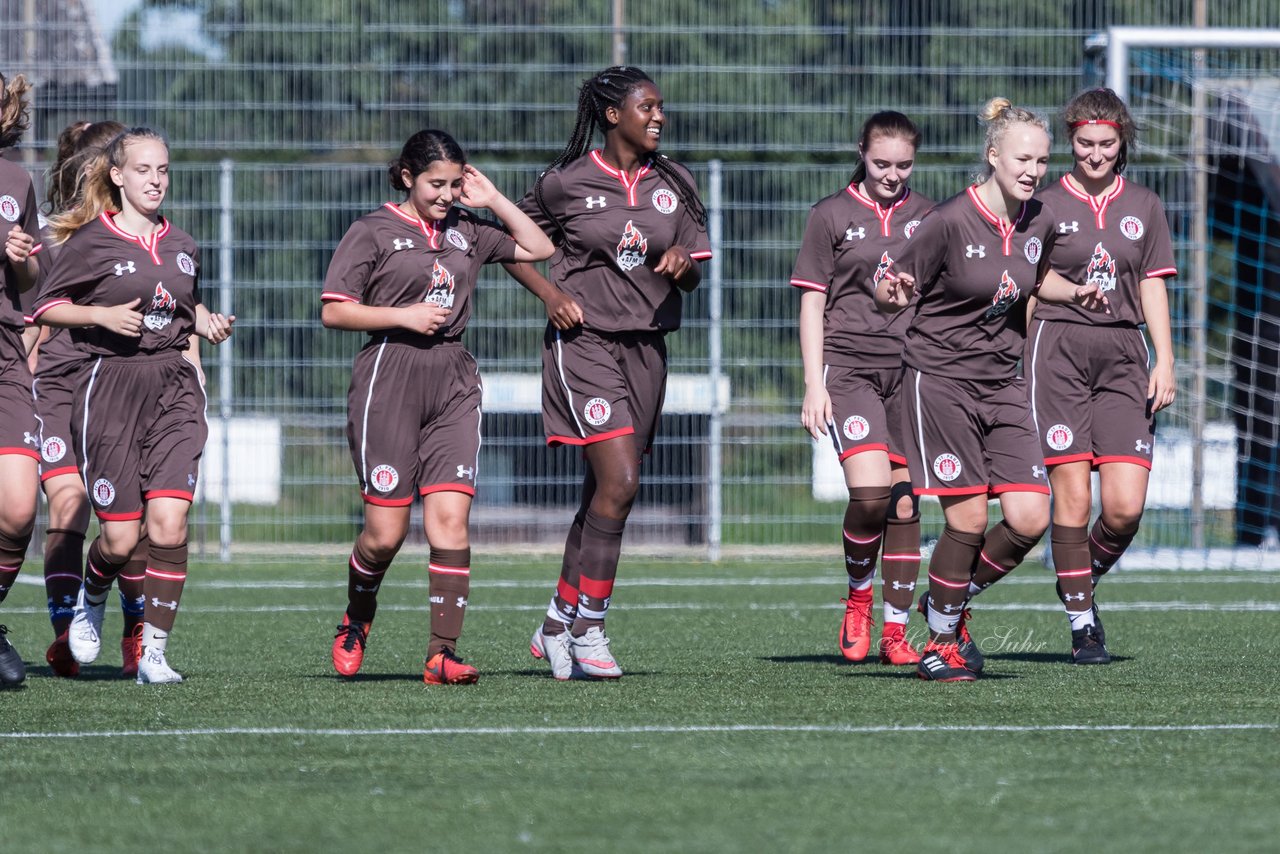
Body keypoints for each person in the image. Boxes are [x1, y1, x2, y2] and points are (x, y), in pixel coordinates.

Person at [876, 98, 1107, 682]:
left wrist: (1074, 292)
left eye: (1042, 160)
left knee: (1031, 517)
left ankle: (943, 605)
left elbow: (1034, 274)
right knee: (970, 520)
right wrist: (894, 289)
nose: (1033, 170)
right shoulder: (949, 221)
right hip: (942, 381)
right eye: (1022, 159)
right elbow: (891, 286)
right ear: (993, 156)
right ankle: (943, 642)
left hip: (1004, 382)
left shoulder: (1042, 219)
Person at [321, 130, 552, 685]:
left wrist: (492, 199)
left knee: (450, 521)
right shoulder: (372, 230)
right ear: (407, 178)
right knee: (385, 533)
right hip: (389, 377)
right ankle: (358, 615)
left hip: (453, 380)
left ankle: (441, 654)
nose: (446, 194)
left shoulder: (469, 231)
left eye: (454, 183)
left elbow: (540, 248)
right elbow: (334, 311)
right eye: (435, 184)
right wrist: (401, 316)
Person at [505, 66, 712, 680]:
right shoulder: (564, 182)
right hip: (585, 342)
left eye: (661, 107)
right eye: (647, 107)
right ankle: (590, 627)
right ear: (613, 115)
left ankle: (552, 625)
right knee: (620, 483)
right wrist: (548, 293)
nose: (659, 117)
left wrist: (681, 264)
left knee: (604, 494)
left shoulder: (676, 181)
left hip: (647, 349)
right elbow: (510, 245)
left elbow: (696, 271)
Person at [33, 127, 234, 685]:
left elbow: (181, 307)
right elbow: (48, 308)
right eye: (144, 170)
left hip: (172, 386)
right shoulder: (91, 242)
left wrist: (206, 324)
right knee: (121, 538)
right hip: (110, 388)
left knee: (168, 524)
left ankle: (153, 654)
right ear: (118, 176)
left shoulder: (185, 245)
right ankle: (90, 597)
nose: (155, 181)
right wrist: (100, 316)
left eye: (163, 170)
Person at [1028, 88, 1177, 663]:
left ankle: (1074, 578)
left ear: (1122, 144)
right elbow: (1027, 283)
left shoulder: (1144, 204)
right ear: (1070, 142)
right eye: (1085, 144)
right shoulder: (1040, 205)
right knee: (1071, 499)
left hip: (1122, 351)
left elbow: (1152, 282)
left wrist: (1165, 358)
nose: (1094, 155)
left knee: (1123, 508)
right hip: (1057, 351)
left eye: (1106, 145)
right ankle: (1083, 621)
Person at [792, 111, 933, 666]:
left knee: (903, 505)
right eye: (881, 163)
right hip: (848, 368)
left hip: (914, 372)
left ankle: (896, 631)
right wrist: (812, 383)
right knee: (871, 494)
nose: (892, 174)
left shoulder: (930, 217)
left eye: (903, 164)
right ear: (861, 152)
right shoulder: (830, 214)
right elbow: (811, 302)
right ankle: (858, 596)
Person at [34, 119, 151, 680]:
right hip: (58, 386)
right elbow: (32, 317)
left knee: (129, 515)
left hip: (119, 382)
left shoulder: (142, 233)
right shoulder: (49, 236)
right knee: (69, 501)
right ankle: (66, 634)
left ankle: (134, 622)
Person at [0, 72, 43, 686]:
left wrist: (24, 259)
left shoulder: (16, 179)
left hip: (5, 349)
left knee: (17, 508)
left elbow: (33, 284)